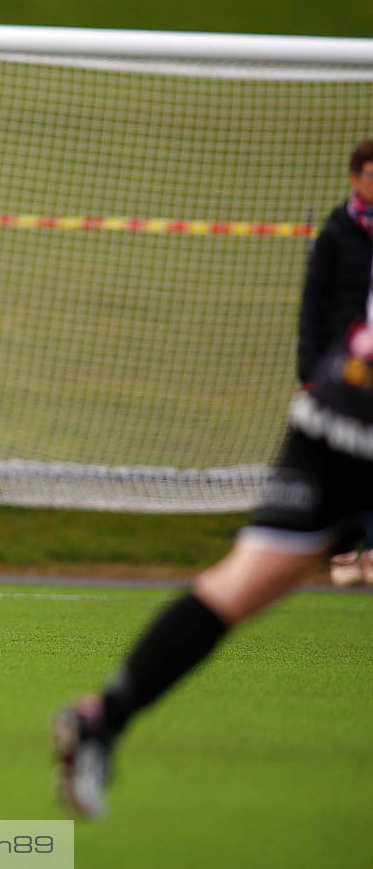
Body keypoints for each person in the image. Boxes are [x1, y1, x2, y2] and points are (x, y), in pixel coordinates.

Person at [51, 304, 373, 820]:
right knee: (242, 585)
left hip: (342, 396)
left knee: (240, 585)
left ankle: (103, 719)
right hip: (354, 410)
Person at [297, 138, 373, 587]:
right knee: (338, 460)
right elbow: (313, 304)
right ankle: (343, 551)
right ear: (354, 178)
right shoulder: (336, 232)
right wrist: (309, 369)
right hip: (340, 369)